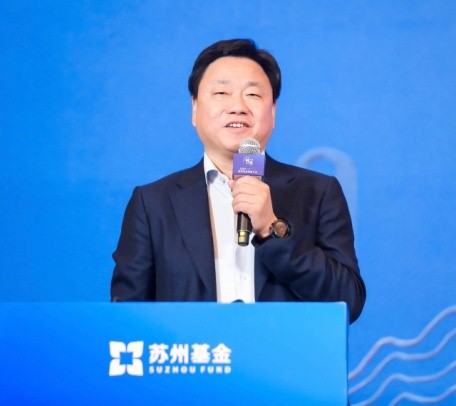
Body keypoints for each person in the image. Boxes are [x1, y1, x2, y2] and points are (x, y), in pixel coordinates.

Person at [111, 39, 366, 323]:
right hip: (198, 351)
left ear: (273, 111)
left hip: (283, 352)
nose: (237, 106)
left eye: (253, 94)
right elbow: (127, 318)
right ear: (194, 108)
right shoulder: (153, 203)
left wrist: (272, 229)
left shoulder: (318, 192)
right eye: (221, 92)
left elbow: (348, 302)